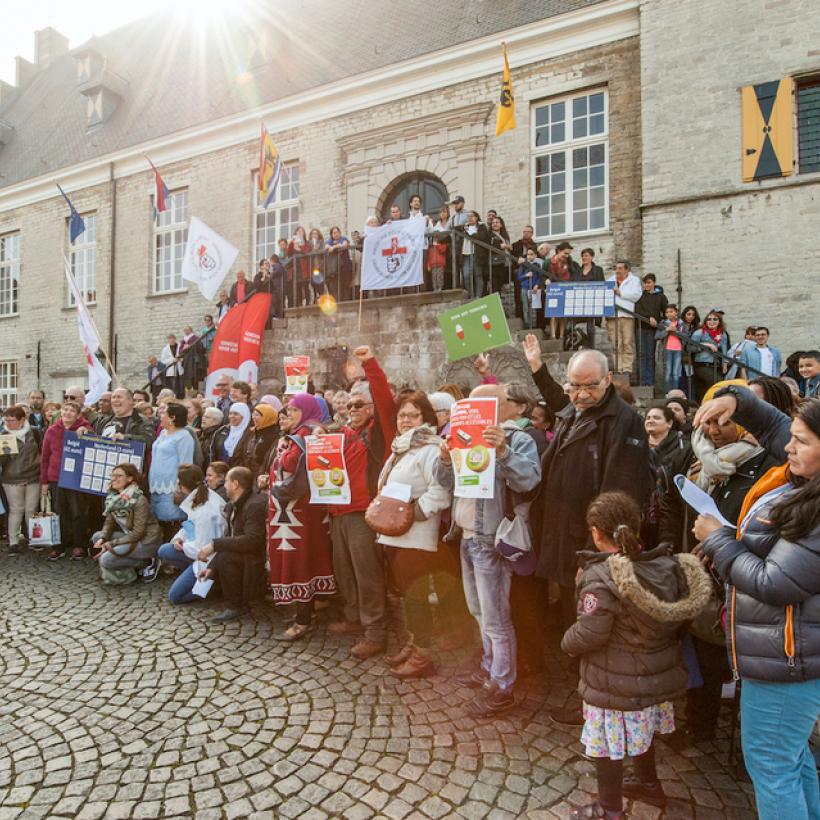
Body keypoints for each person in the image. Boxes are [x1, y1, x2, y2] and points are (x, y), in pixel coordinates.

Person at [694, 386, 820, 819]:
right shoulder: (805, 472)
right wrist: (736, 399)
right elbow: (771, 424)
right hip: (782, 649)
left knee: (771, 765)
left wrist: (718, 541)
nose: (789, 445)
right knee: (792, 758)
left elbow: (776, 582)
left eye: (802, 440)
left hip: (787, 658)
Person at [522, 340, 654, 722]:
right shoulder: (575, 411)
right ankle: (586, 693)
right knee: (573, 617)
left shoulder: (623, 420)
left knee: (592, 623)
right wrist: (537, 367)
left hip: (590, 545)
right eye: (574, 387)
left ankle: (595, 703)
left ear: (608, 380)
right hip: (564, 535)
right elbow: (558, 401)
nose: (580, 394)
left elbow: (619, 492)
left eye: (589, 386)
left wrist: (593, 554)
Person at [562, 491, 710, 820]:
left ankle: (610, 809)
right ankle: (648, 784)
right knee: (642, 733)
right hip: (653, 677)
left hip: (615, 682)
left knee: (607, 746)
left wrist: (566, 642)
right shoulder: (664, 565)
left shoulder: (600, 577)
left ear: (596, 533)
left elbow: (590, 632)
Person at [438, 382, 542, 717]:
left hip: (490, 538)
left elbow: (529, 481)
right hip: (466, 535)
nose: (475, 411)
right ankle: (488, 667)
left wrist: (503, 453)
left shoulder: (517, 438)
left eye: (485, 406)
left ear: (502, 408)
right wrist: (443, 460)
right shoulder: (465, 436)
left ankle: (502, 686)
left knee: (496, 617)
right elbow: (447, 484)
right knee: (479, 612)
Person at [327, 346, 396, 659]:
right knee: (345, 571)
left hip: (362, 513)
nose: (351, 409)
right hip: (338, 512)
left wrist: (370, 364)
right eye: (348, 405)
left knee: (367, 574)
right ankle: (354, 617)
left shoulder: (379, 431)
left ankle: (375, 631)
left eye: (358, 405)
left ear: (370, 409)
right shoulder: (342, 434)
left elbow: (383, 397)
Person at [378, 391, 451, 678]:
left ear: (426, 418)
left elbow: (440, 492)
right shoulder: (403, 447)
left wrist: (413, 515)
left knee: (417, 596)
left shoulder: (430, 448)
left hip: (416, 535)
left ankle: (424, 656)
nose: (405, 420)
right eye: (402, 415)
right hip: (397, 535)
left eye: (412, 415)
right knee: (409, 596)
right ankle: (415, 642)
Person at [266, 393, 336, 640]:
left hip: (299, 509)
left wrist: (284, 452)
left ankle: (303, 619)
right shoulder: (303, 432)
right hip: (294, 508)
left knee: (300, 558)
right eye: (290, 410)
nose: (290, 414)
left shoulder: (308, 432)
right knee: (303, 556)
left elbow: (291, 462)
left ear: (307, 410)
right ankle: (308, 608)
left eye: (296, 410)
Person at [197, 467, 268, 622]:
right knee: (223, 556)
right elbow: (232, 539)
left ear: (235, 484)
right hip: (248, 556)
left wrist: (214, 545)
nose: (225, 485)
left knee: (226, 557)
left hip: (260, 561)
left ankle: (236, 606)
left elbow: (252, 540)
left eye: (227, 482)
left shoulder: (254, 505)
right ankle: (234, 602)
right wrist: (212, 567)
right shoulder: (236, 503)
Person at [158, 464, 226, 605]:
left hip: (209, 558)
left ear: (184, 486)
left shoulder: (206, 511)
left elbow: (203, 549)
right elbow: (189, 526)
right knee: (165, 550)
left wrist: (184, 546)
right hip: (197, 550)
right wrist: (178, 538)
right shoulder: (199, 496)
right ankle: (191, 574)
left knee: (175, 597)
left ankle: (213, 587)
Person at [92, 463, 164, 585]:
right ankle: (130, 563)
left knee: (106, 560)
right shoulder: (113, 498)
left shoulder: (139, 499)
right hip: (130, 537)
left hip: (147, 541)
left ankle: (147, 562)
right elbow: (109, 522)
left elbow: (138, 533)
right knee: (97, 537)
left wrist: (112, 544)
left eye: (119, 476)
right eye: (113, 475)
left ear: (130, 478)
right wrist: (104, 538)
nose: (114, 479)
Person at [40, 400, 92, 561]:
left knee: (77, 512)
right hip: (56, 477)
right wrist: (44, 482)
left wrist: (86, 431)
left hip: (75, 477)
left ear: (77, 415)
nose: (67, 413)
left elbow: (91, 437)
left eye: (71, 411)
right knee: (59, 512)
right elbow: (45, 457)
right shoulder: (52, 430)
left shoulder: (84, 428)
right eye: (65, 410)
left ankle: (79, 545)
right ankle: (59, 546)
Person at [149, 402, 195, 533]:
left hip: (171, 488)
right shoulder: (163, 433)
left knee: (169, 521)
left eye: (164, 413)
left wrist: (180, 489)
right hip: (155, 486)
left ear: (173, 417)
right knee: (156, 524)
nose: (160, 416)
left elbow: (186, 464)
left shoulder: (184, 436)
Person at [1, 405, 41, 554]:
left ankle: (33, 539)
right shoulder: (3, 435)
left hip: (33, 476)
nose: (8, 423)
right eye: (7, 420)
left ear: (22, 419)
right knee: (16, 509)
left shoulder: (35, 432)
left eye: (12, 420)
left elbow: (42, 451)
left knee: (31, 509)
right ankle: (13, 542)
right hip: (12, 477)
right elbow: (2, 463)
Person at [605, 260, 642, 380]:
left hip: (627, 315)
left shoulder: (634, 280)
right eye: (616, 268)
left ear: (627, 270)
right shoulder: (610, 280)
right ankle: (618, 368)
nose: (617, 271)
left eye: (620, 268)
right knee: (615, 342)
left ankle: (626, 369)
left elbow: (636, 295)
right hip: (612, 316)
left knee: (627, 342)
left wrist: (620, 292)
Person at [635, 274, 668, 387]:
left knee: (650, 355)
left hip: (652, 329)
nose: (646, 285)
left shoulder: (660, 297)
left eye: (649, 282)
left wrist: (659, 322)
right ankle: (641, 381)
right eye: (645, 283)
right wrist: (649, 317)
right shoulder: (640, 296)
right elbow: (637, 310)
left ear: (654, 283)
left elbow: (666, 312)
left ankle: (649, 382)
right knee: (641, 355)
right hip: (640, 328)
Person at [689, 310, 729, 402]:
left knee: (708, 388)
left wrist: (725, 364)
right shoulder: (699, 333)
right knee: (719, 383)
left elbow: (724, 351)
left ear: (719, 322)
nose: (711, 322)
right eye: (709, 319)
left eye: (715, 319)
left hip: (716, 365)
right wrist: (706, 345)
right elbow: (690, 348)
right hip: (702, 365)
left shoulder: (722, 334)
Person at [574, 248, 605, 349]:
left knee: (591, 325)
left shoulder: (598, 270)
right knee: (577, 325)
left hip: (593, 301)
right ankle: (581, 345)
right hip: (580, 301)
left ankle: (591, 347)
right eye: (583, 256)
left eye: (586, 255)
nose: (584, 258)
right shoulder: (578, 271)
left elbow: (602, 284)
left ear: (592, 257)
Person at [458, 210, 490, 299]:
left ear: (476, 217)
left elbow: (481, 238)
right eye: (468, 216)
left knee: (478, 274)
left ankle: (478, 296)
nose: (470, 218)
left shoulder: (481, 227)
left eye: (472, 216)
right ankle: (471, 295)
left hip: (476, 254)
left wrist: (468, 233)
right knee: (466, 275)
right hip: (466, 254)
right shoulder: (464, 227)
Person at [240, 404, 279, 476]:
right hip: (247, 472)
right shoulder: (252, 432)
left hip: (262, 476)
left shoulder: (274, 435)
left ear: (267, 417)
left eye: (257, 415)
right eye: (253, 415)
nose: (253, 417)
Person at [655, 304, 685, 395]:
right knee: (668, 372)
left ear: (676, 312)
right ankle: (667, 393)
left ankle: (675, 393)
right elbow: (657, 336)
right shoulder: (663, 323)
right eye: (667, 312)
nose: (669, 314)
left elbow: (686, 336)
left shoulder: (681, 323)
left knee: (676, 373)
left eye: (671, 311)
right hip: (667, 349)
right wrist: (667, 330)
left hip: (678, 349)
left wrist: (676, 331)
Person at [517, 247, 544, 329]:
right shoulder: (523, 265)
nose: (529, 256)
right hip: (525, 288)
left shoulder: (537, 265)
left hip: (534, 289)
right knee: (526, 307)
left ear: (535, 255)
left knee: (534, 308)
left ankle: (534, 324)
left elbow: (540, 277)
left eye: (531, 254)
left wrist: (536, 285)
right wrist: (526, 275)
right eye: (528, 254)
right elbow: (519, 277)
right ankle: (527, 324)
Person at [678, 305, 701, 398]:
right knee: (681, 380)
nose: (691, 316)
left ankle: (691, 400)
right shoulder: (680, 327)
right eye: (688, 314)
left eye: (693, 315)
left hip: (691, 358)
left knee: (690, 380)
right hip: (680, 356)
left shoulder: (696, 329)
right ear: (684, 315)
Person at [325, 226, 352, 302]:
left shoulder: (343, 238)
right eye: (334, 233)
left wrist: (334, 247)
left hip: (345, 265)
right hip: (335, 268)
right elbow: (326, 246)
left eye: (337, 232)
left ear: (340, 233)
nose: (336, 234)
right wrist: (334, 246)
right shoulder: (330, 241)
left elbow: (344, 245)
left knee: (346, 284)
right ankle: (339, 301)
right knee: (337, 285)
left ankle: (346, 301)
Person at [428, 206, 451, 292]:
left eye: (444, 212)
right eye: (441, 212)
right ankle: (435, 288)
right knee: (435, 274)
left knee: (445, 272)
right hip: (439, 250)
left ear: (447, 213)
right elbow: (433, 236)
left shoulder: (450, 222)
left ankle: (445, 287)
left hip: (447, 248)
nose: (442, 214)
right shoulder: (437, 225)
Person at [288, 227, 312, 306]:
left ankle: (308, 303)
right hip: (296, 268)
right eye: (298, 231)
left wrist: (298, 249)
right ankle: (299, 304)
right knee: (297, 287)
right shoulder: (294, 243)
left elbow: (306, 252)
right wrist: (292, 243)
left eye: (302, 231)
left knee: (305, 286)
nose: (300, 232)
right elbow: (289, 253)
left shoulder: (307, 243)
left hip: (304, 267)